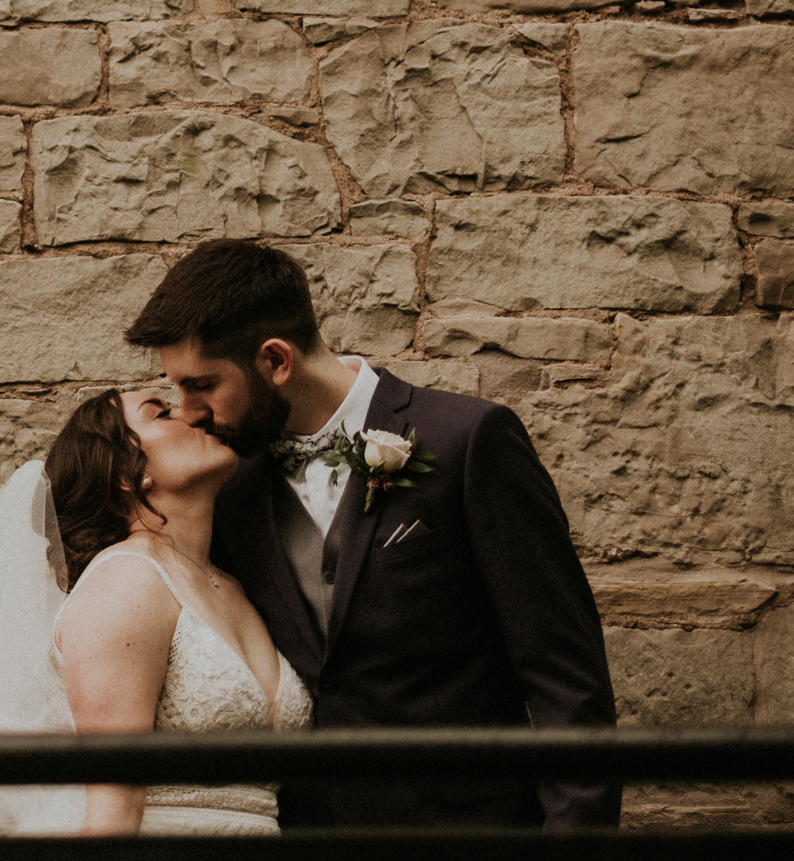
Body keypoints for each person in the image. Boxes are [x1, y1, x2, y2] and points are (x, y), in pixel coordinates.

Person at [123, 238, 619, 830]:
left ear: (276, 361)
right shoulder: (227, 487)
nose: (187, 411)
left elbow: (566, 681)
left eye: (201, 385)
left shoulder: (467, 441)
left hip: (472, 836)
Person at [0, 387, 310, 836]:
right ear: (128, 475)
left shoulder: (232, 585)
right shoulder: (127, 580)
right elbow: (116, 805)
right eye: (161, 412)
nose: (193, 415)